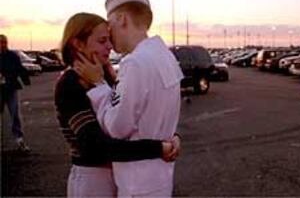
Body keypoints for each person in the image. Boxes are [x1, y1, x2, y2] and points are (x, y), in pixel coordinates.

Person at [55, 12, 180, 197]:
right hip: (92, 180)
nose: (110, 46)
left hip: (121, 178)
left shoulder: (104, 77)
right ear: (78, 43)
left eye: (109, 39)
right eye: (102, 41)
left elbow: (133, 118)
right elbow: (96, 148)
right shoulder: (70, 84)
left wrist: (171, 135)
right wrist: (159, 148)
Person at [0, 34, 31, 152]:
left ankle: (19, 139)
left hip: (11, 88)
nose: (2, 45)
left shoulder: (12, 56)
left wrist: (25, 79)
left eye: (4, 42)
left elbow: (20, 68)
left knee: (15, 114)